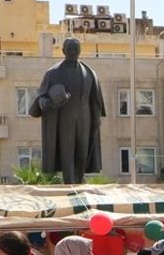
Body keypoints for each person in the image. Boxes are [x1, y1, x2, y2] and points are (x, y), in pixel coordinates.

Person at [27, 37, 105, 184]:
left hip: (85, 120)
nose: (73, 52)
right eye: (69, 49)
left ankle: (79, 183)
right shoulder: (53, 73)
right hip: (64, 120)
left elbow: (95, 100)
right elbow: (40, 99)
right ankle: (70, 186)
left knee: (82, 153)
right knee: (67, 154)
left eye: (75, 49)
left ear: (80, 51)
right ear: (63, 51)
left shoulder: (90, 73)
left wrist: (96, 119)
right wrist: (49, 103)